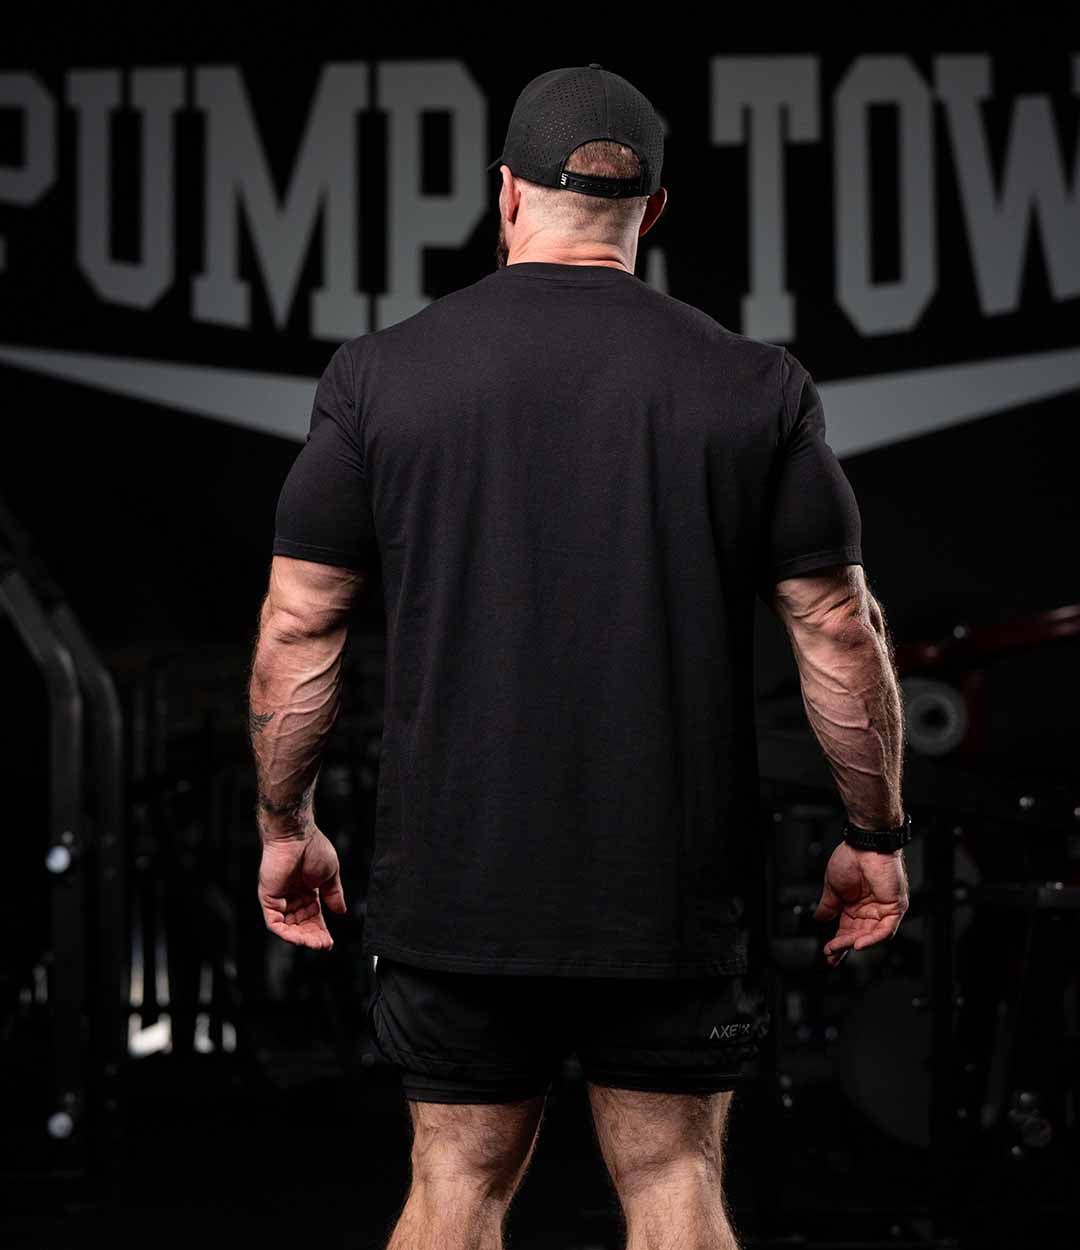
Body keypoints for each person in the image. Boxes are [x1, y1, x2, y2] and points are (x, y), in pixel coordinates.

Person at [247, 63, 910, 1250]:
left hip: (459, 884)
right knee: (674, 1183)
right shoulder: (754, 385)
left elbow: (298, 624)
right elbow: (836, 628)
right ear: (652, 209)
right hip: (669, 887)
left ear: (505, 193)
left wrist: (283, 822)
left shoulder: (380, 377)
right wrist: (876, 833)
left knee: (453, 1188)